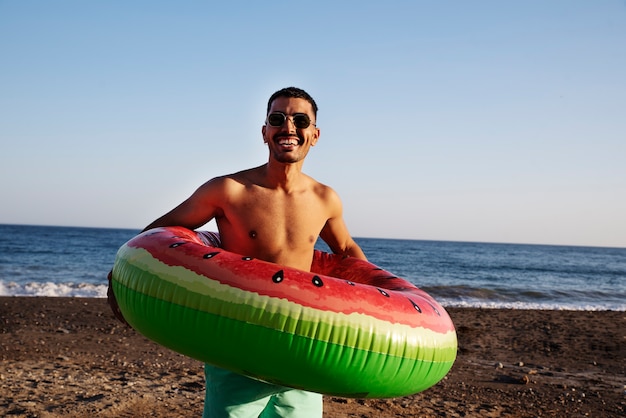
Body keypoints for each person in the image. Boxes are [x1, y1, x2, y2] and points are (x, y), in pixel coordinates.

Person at [108, 86, 366, 417]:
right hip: (238, 342)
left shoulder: (325, 199)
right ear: (264, 132)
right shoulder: (229, 190)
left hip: (299, 345)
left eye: (300, 120)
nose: (288, 128)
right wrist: (121, 275)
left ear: (314, 135)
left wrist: (370, 303)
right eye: (278, 119)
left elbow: (345, 249)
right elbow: (157, 235)